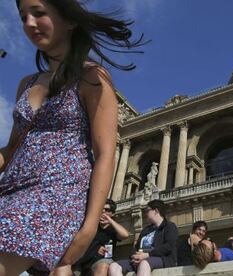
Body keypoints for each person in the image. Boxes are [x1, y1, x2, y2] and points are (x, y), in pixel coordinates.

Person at [0, 0, 145, 275]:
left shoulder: (92, 77)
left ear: (70, 20)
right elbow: (11, 149)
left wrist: (89, 227)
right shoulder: (26, 84)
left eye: (39, 13)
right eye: (23, 17)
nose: (29, 24)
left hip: (55, 195)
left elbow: (105, 155)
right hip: (11, 189)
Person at [109, 200, 178, 276]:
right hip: (141, 258)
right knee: (114, 266)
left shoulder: (169, 226)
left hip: (162, 259)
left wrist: (147, 255)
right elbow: (136, 247)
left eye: (147, 210)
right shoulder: (146, 230)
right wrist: (134, 256)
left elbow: (168, 246)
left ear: (156, 211)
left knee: (144, 263)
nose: (145, 213)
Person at [72, 199, 129, 276]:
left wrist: (110, 221)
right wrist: (96, 249)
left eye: (107, 210)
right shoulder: (89, 225)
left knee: (103, 266)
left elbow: (125, 235)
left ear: (112, 213)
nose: (103, 211)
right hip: (81, 260)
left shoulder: (112, 229)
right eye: (101, 208)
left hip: (100, 260)